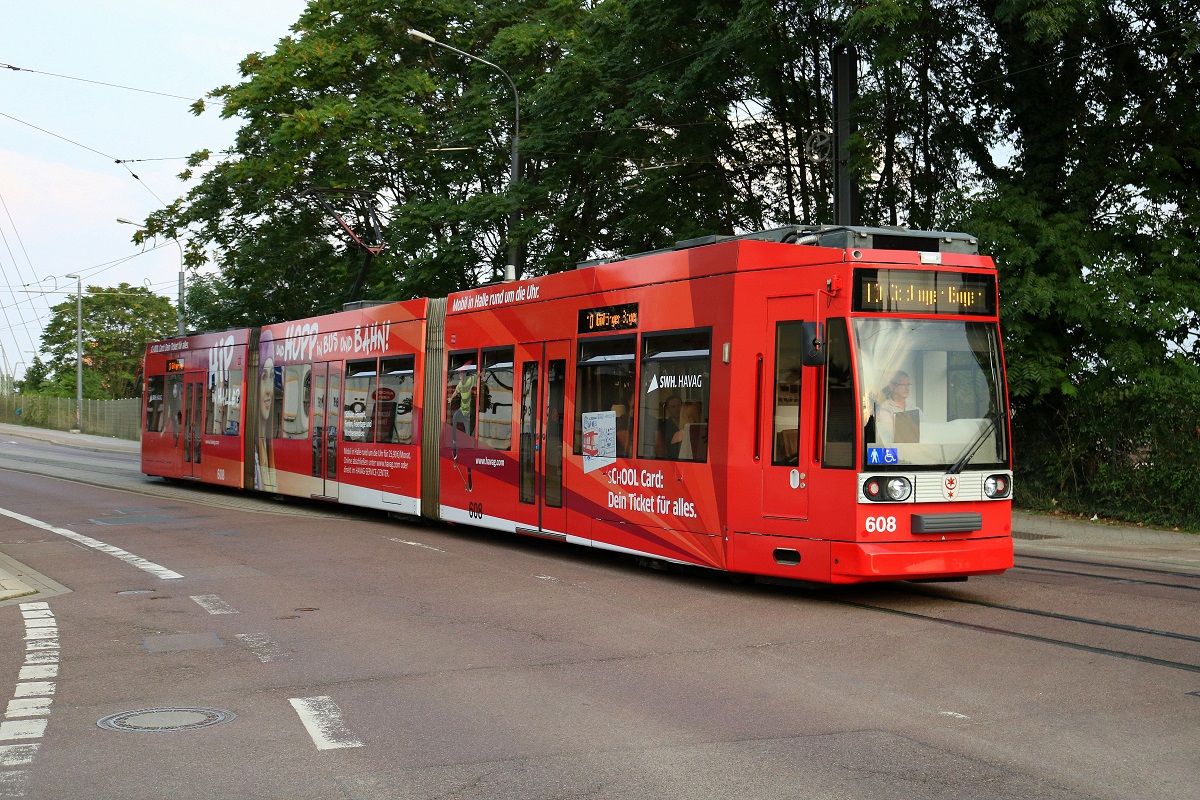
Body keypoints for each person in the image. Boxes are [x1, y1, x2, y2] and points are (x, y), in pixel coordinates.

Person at [877, 370, 921, 443]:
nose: (907, 388)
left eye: (908, 385)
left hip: (915, 451)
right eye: (903, 384)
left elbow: (926, 430)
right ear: (892, 387)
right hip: (893, 451)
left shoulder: (915, 409)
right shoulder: (884, 410)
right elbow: (890, 434)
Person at [655, 394, 684, 459]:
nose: (677, 409)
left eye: (678, 405)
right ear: (668, 409)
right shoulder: (663, 427)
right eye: (673, 406)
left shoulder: (687, 423)